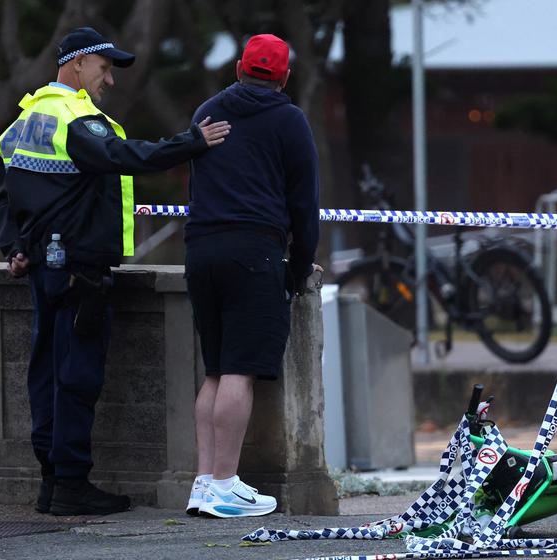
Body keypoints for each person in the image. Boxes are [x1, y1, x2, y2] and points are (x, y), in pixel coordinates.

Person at [0, 26, 230, 516]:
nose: (110, 80)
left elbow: (3, 191)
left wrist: (13, 246)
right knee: (76, 375)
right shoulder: (74, 116)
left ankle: (51, 483)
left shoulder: (25, 119)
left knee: (46, 373)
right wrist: (192, 143)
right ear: (77, 64)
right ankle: (71, 484)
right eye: (104, 68)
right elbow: (124, 156)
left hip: (43, 266)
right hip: (79, 269)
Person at [183, 33, 320, 518]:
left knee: (215, 368)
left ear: (240, 67)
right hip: (253, 252)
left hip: (201, 249)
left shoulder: (207, 110)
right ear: (284, 77)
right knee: (239, 369)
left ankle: (203, 482)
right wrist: (299, 268)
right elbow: (304, 203)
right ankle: (225, 484)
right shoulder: (289, 120)